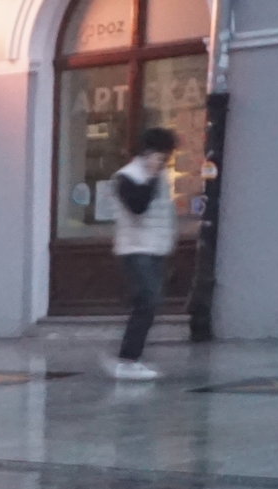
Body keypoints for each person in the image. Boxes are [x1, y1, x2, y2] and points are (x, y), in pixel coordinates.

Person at [107, 125, 179, 382]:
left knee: (148, 303)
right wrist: (148, 175)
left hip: (153, 248)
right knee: (146, 302)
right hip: (135, 249)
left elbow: (163, 214)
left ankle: (129, 358)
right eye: (163, 155)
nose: (166, 161)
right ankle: (127, 360)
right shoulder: (127, 176)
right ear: (150, 152)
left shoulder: (158, 176)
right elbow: (138, 207)